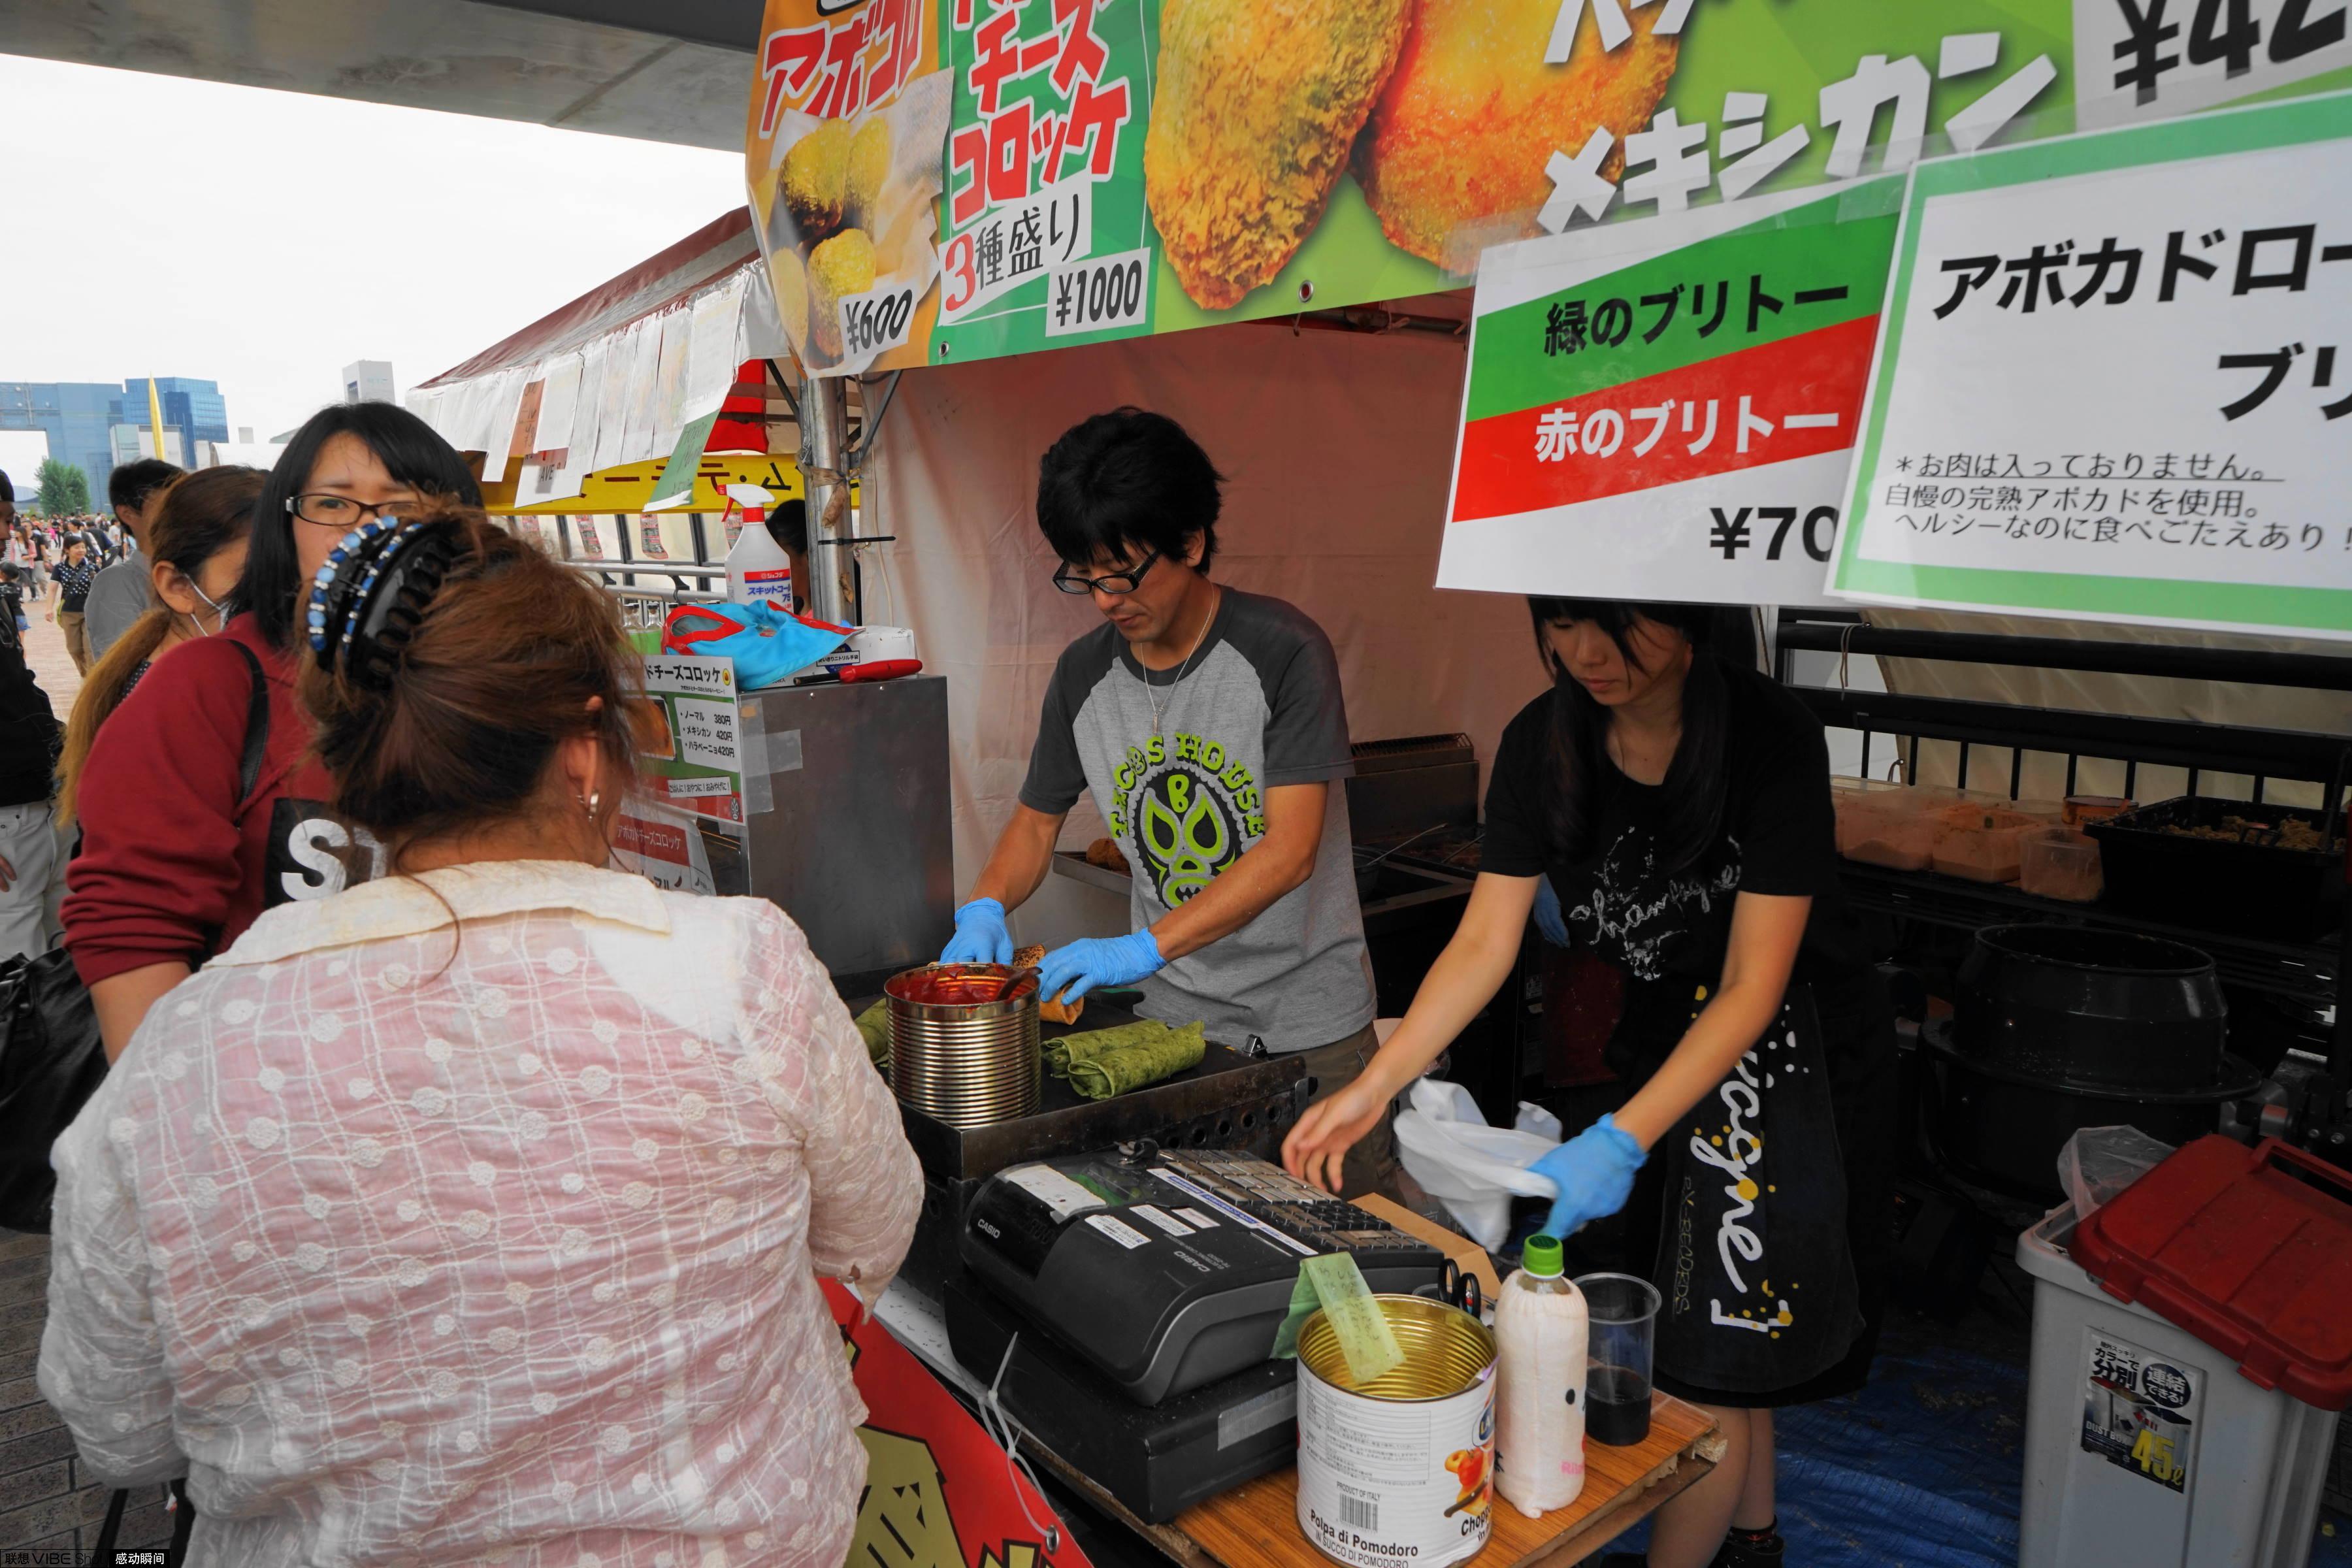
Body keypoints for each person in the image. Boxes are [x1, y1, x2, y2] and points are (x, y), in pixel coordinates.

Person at [41, 505, 923, 1566]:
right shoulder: (737, 970)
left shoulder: (186, 1052)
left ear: (346, 748)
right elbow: (873, 1232)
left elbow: (119, 1427)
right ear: (588, 745)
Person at [1284, 598, 1893, 1568]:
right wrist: (1376, 1081)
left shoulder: (1772, 734)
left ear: (1691, 614)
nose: (1585, 654)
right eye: (1562, 622)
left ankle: (1721, 1543)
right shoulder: (1543, 739)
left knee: (1718, 1350)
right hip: (1663, 1032)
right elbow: (1485, 939)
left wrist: (1620, 1138)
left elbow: (1752, 984)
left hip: (1784, 1054)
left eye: (1617, 625)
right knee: (1704, 1327)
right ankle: (1755, 1539)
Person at [941, 408, 1393, 1195]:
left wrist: (1140, 948)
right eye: (1086, 575)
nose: (1106, 599)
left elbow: (1289, 851)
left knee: (1349, 1261)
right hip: (1171, 1031)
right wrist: (983, 905)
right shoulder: (1083, 676)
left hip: (1309, 1033)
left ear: (1189, 541)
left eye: (1123, 572)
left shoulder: (1285, 651)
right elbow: (1035, 823)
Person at [63, 402, 482, 1060]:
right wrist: (180, 1118)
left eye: (403, 508)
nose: (366, 532)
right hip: (270, 1090)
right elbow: (133, 927)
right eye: (333, 506)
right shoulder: (209, 685)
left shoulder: (497, 685)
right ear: (283, 525)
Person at [53, 466, 261, 828]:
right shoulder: (167, 707)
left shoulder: (239, 681)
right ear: (177, 586)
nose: (280, 595)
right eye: (254, 576)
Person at [0, 573, 60, 961]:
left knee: (66, 959)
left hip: (50, 802)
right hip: (8, 824)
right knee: (19, 975)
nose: (7, 533)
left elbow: (21, 687)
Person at [83, 456, 184, 660]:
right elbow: (123, 671)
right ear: (128, 514)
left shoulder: (200, 571)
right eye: (170, 504)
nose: (185, 513)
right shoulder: (117, 584)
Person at [43, 534, 99, 674]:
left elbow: (103, 587)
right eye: (77, 547)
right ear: (67, 550)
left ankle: (92, 681)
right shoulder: (60, 568)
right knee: (74, 649)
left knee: (89, 649)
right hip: (69, 613)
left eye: (83, 547)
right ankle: (86, 675)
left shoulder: (92, 567)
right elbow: (52, 589)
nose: (81, 550)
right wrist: (49, 609)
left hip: (90, 613)